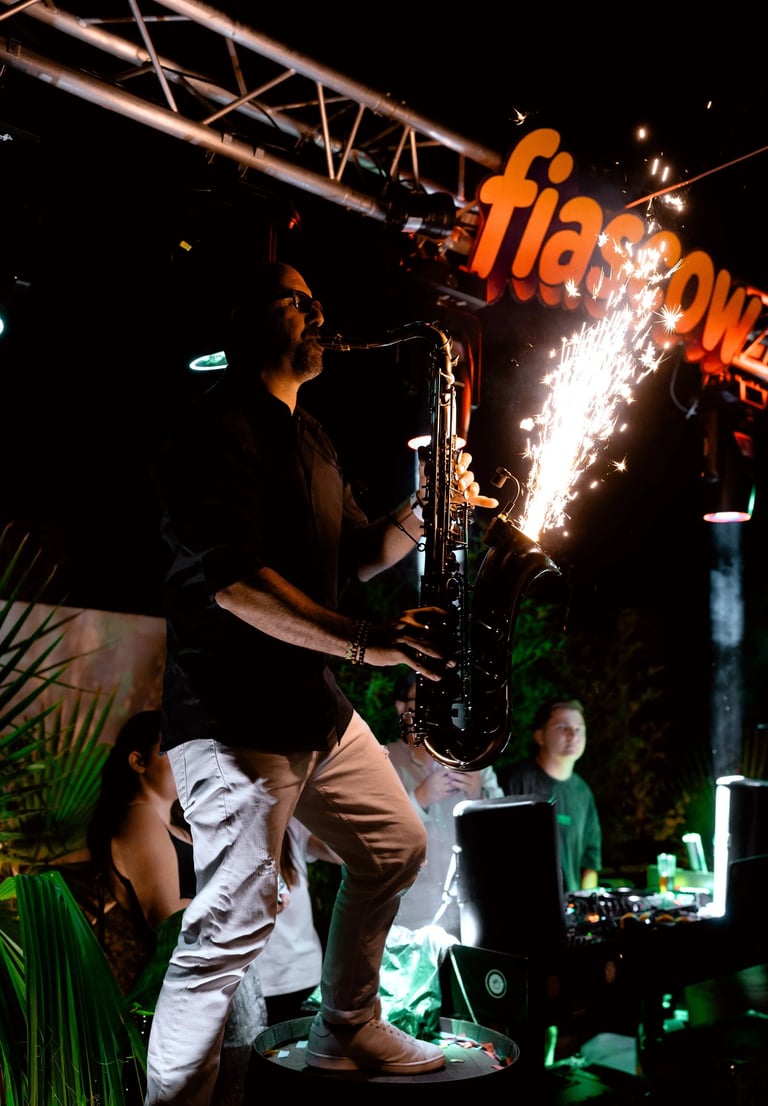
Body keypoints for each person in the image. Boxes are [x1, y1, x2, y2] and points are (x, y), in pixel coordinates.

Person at [146, 259, 498, 1104]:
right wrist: (371, 643)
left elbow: (359, 558)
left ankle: (346, 1026)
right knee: (231, 924)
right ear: (247, 322)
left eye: (315, 301)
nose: (316, 313)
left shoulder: (316, 439)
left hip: (308, 705)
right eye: (295, 300)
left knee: (397, 847)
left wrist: (427, 512)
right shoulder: (216, 425)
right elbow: (235, 584)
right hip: (233, 713)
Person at [389, 670, 504, 937]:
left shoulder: (473, 759)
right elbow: (378, 832)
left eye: (438, 701)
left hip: (470, 905)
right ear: (401, 706)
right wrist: (419, 799)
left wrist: (477, 796)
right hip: (410, 914)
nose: (430, 710)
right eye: (421, 701)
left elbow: (503, 829)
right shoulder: (386, 760)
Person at [503, 698, 602, 892]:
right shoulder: (514, 781)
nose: (573, 735)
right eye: (562, 728)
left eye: (579, 729)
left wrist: (584, 903)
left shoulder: (583, 793)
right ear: (540, 736)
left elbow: (590, 862)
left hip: (569, 911)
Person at [260, 816, 342, 1025]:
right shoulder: (227, 820)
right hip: (258, 981)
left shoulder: (292, 825)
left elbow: (339, 852)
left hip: (305, 973)